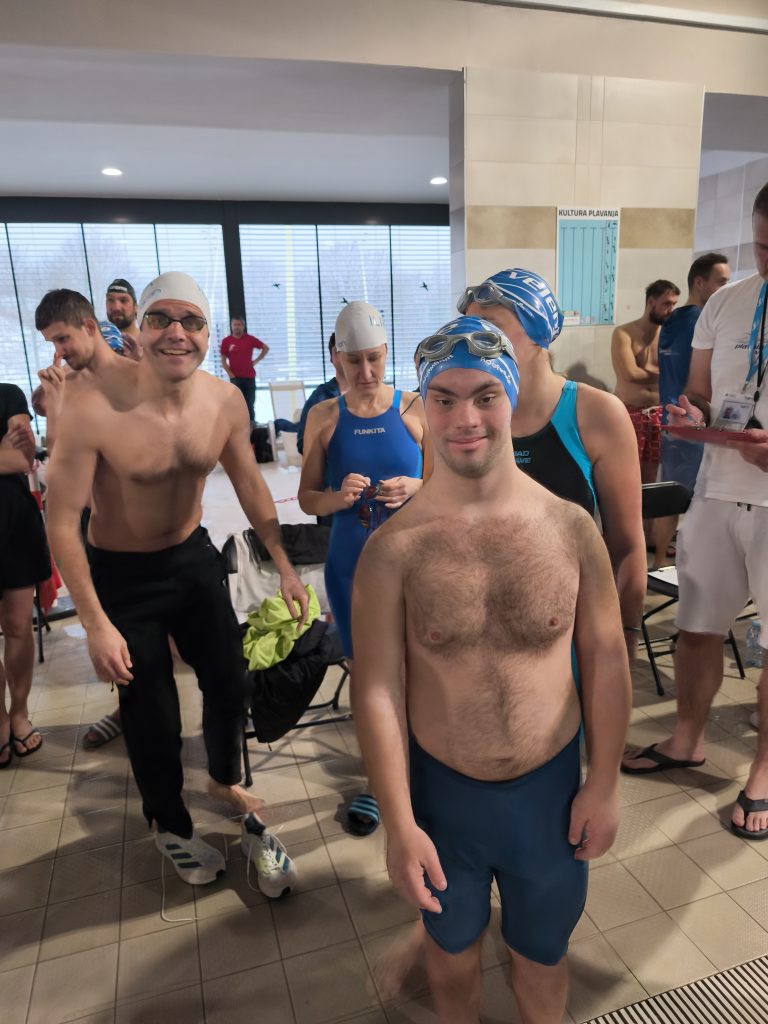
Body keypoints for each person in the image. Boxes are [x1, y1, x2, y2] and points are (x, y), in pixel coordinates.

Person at [352, 316, 631, 1023]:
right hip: (445, 803)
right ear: (423, 406)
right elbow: (378, 691)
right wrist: (398, 823)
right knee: (452, 969)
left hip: (549, 800)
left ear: (512, 398)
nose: (466, 419)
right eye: (443, 399)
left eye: (484, 396)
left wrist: (603, 783)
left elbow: (605, 658)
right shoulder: (393, 550)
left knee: (542, 963)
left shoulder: (571, 528)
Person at [43, 272, 308, 889]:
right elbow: (60, 521)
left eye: (192, 321)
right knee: (151, 708)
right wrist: (95, 623)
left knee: (230, 680)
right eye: (160, 319)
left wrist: (283, 564)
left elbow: (249, 483)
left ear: (209, 334)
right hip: (122, 574)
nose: (176, 333)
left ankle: (224, 778)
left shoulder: (224, 402)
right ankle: (169, 821)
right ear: (139, 327)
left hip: (191, 558)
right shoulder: (90, 407)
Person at [621, 183, 768, 844]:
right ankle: (686, 739)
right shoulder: (728, 303)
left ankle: (763, 773)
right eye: (761, 247)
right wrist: (693, 412)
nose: (766, 260)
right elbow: (704, 392)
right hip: (715, 488)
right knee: (697, 625)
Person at [460, 267, 646, 660]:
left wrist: (625, 635)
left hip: (572, 631)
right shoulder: (467, 416)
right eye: (470, 327)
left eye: (490, 326)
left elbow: (627, 545)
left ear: (538, 330)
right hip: (483, 631)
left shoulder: (597, 414)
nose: (474, 341)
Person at [298, 301, 426, 835]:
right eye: (355, 361)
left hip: (416, 564)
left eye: (375, 359)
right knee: (369, 677)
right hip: (351, 564)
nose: (367, 372)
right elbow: (307, 498)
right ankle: (379, 781)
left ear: (386, 352)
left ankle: (424, 768)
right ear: (337, 359)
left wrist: (417, 486)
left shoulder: (416, 406)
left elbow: (453, 485)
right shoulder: (324, 416)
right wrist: (337, 497)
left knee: (420, 669)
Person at [653, 254, 731, 566]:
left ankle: (660, 563)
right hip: (692, 421)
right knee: (698, 502)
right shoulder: (701, 320)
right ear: (700, 282)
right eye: (721, 282)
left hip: (673, 420)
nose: (726, 288)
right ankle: (690, 568)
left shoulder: (672, 319)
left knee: (670, 497)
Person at [0, 384, 50, 768]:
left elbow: (21, 459)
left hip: (12, 523)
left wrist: (14, 455)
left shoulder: (8, 395)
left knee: (18, 626)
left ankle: (18, 713)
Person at [297, 333, 348, 455]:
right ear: (331, 358)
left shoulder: (372, 393)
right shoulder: (319, 397)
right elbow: (303, 443)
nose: (342, 355)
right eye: (337, 351)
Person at [220, 316, 269, 422]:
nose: (237, 327)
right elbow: (223, 361)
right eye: (235, 325)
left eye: (239, 324)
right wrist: (231, 375)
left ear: (243, 326)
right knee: (236, 405)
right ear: (231, 326)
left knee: (250, 405)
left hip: (249, 377)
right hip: (235, 378)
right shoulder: (226, 341)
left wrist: (256, 361)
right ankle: (237, 427)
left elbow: (265, 348)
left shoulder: (250, 339)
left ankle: (251, 427)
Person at [105, 277, 142, 361]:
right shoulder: (99, 345)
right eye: (110, 300)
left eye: (123, 300)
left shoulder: (149, 344)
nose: (116, 307)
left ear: (136, 307)